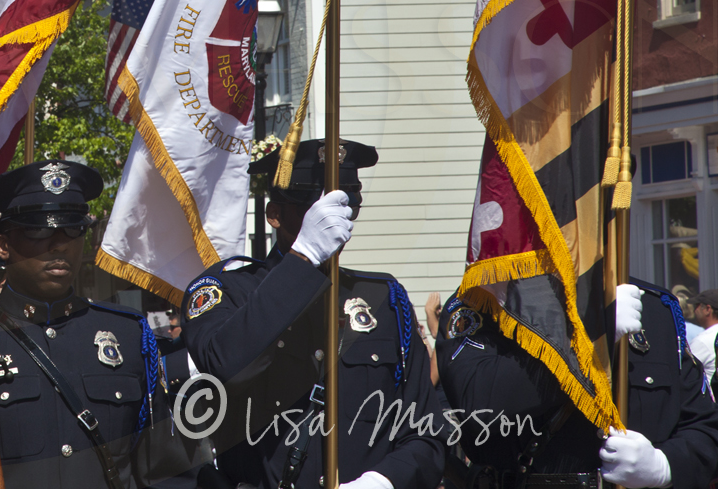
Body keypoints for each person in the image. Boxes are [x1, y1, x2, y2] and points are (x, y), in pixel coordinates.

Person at [0, 159, 171, 489]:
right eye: (39, 229)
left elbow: (167, 470)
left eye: (73, 227)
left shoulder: (128, 335)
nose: (60, 243)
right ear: (3, 245)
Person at [180, 139, 445, 489]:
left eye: (345, 200)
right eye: (313, 204)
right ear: (274, 215)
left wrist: (381, 482)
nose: (335, 214)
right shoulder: (227, 290)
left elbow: (426, 433)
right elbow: (226, 366)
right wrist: (302, 259)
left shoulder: (384, 298)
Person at [437, 274, 718, 488]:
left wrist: (664, 466)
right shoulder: (489, 302)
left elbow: (704, 428)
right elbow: (479, 404)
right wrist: (584, 339)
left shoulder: (655, 307)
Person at [687, 289, 718, 388]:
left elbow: (687, 373)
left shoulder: (702, 340)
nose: (694, 310)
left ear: (707, 309)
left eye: (697, 306)